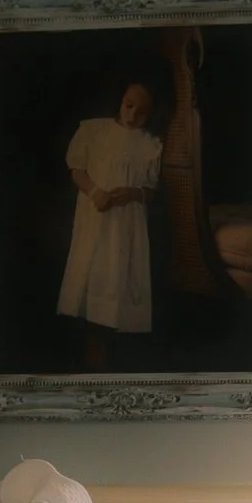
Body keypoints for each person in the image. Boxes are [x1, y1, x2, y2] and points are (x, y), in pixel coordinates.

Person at [57, 82, 164, 336]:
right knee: (91, 270)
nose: (132, 115)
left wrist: (134, 193)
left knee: (119, 276)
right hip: (95, 214)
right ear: (120, 100)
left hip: (127, 224)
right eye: (129, 106)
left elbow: (152, 189)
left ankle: (113, 339)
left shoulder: (151, 144)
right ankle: (89, 342)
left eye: (142, 112)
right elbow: (77, 169)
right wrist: (95, 192)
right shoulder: (94, 130)